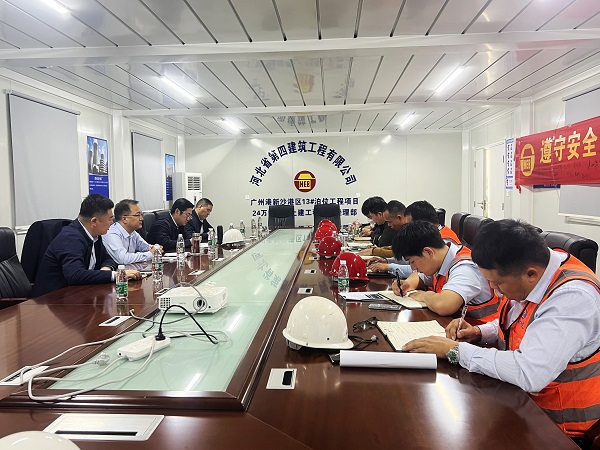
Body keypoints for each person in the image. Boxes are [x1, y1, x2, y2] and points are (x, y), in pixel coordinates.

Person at [402, 219, 600, 438]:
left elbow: (529, 372)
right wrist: (480, 332)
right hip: (521, 403)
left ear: (531, 274)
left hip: (558, 428)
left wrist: (455, 351)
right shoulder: (535, 272)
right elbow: (527, 322)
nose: (493, 290)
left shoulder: (572, 298)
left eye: (497, 283)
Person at [33, 194, 141, 297]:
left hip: (80, 293)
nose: (112, 223)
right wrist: (116, 275)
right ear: (94, 221)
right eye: (109, 219)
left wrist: (106, 268)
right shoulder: (71, 238)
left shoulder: (95, 234)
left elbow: (108, 258)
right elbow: (75, 275)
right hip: (54, 300)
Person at [392, 220, 499, 322]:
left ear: (428, 252)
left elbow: (444, 306)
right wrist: (407, 284)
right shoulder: (439, 260)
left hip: (480, 331)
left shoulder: (465, 268)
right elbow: (420, 277)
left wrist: (424, 296)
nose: (413, 268)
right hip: (455, 327)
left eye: (412, 261)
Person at [369, 200, 459, 277]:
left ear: (422, 223)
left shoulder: (443, 240)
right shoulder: (429, 236)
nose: (407, 228)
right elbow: (413, 259)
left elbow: (419, 270)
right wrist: (387, 261)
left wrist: (388, 267)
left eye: (409, 225)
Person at [104, 199, 162, 264]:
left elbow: (146, 247)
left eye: (141, 215)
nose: (142, 218)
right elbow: (123, 259)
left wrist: (156, 248)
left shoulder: (132, 232)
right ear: (124, 219)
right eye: (138, 215)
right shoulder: (112, 234)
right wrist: (150, 254)